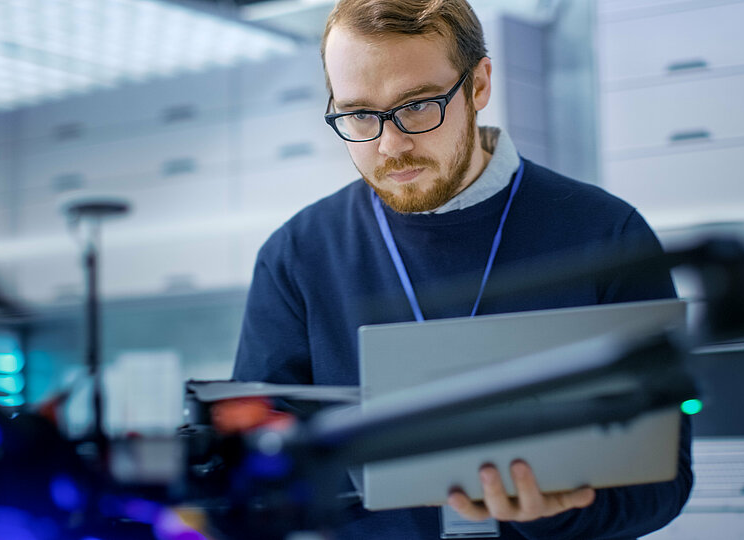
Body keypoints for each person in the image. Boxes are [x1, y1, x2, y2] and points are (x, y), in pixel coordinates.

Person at [232, 0, 693, 537]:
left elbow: (665, 483)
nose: (391, 144)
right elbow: (252, 478)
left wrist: (562, 512)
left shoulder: (607, 235)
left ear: (478, 86)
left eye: (419, 105)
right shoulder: (297, 255)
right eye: (359, 114)